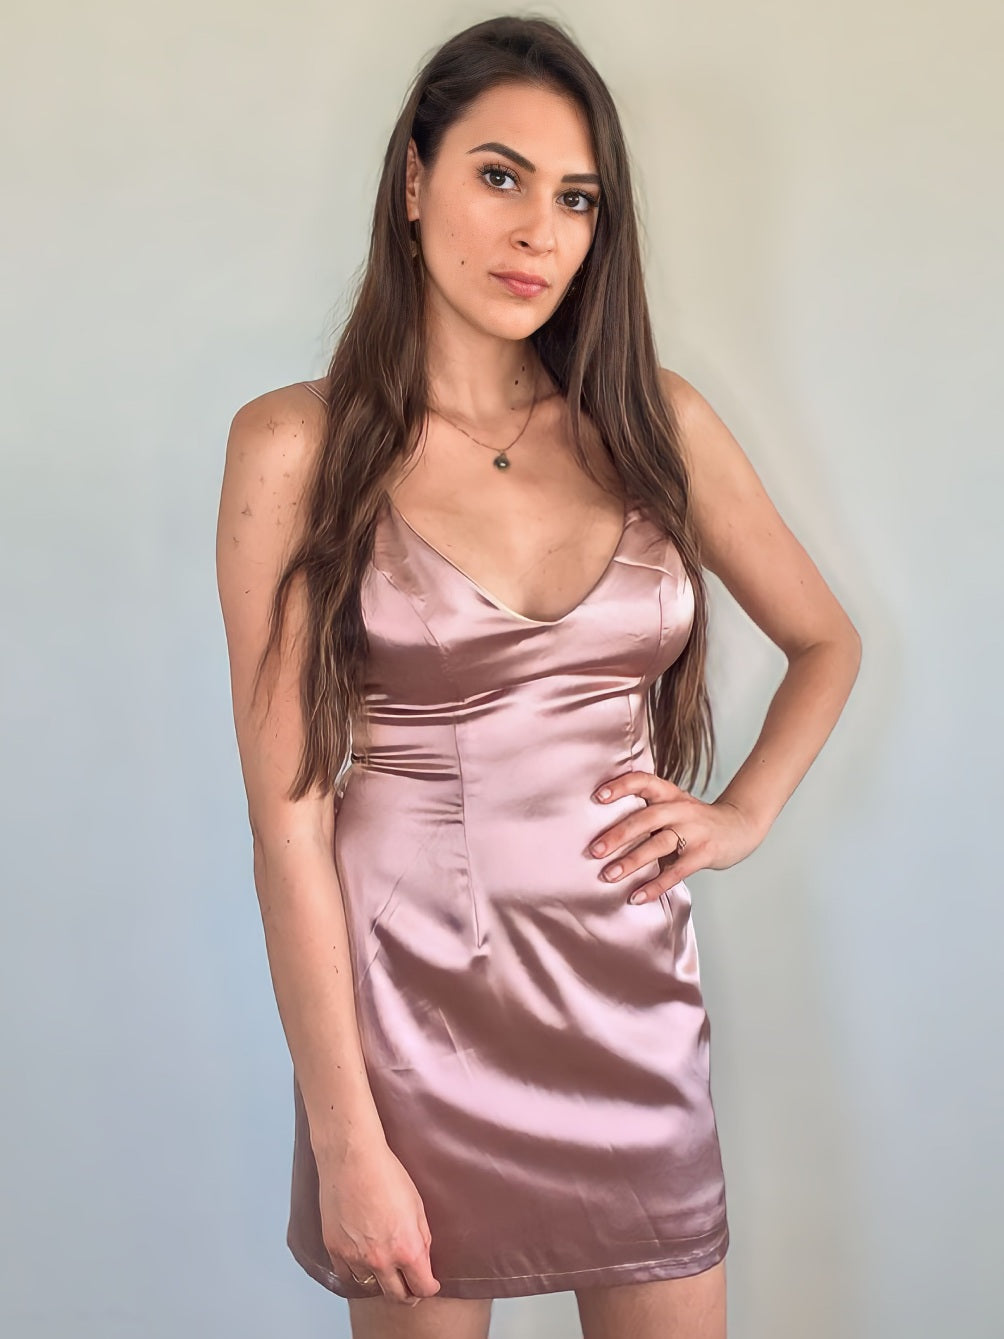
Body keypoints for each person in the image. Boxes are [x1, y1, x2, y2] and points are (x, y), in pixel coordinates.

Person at [215, 15, 861, 1339]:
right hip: (411, 1028)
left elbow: (826, 641)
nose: (538, 233)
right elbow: (287, 827)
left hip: (630, 1010)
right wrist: (345, 1138)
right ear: (413, 181)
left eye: (577, 199)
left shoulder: (653, 423)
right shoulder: (295, 446)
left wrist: (741, 814)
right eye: (500, 176)